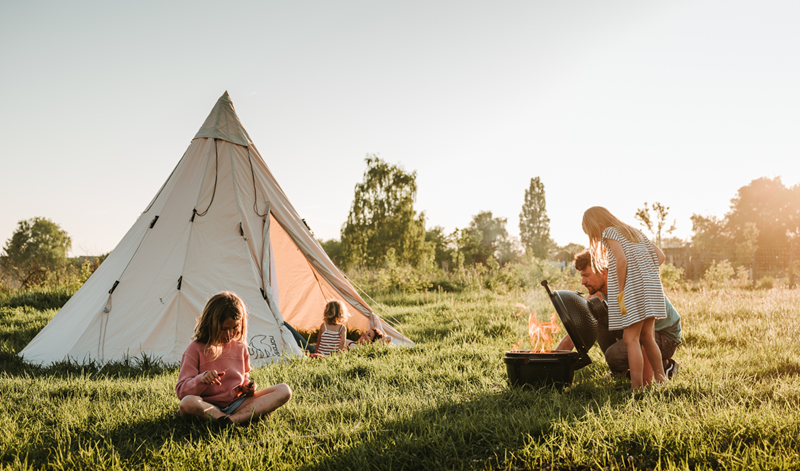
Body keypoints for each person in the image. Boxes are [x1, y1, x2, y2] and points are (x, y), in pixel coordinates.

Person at [556, 249, 681, 379]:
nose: (583, 282)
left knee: (614, 355)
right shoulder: (598, 293)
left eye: (586, 275)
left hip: (664, 336)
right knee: (594, 316)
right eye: (581, 276)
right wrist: (554, 359)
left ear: (603, 272)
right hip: (638, 331)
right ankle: (620, 372)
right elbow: (579, 326)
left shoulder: (627, 286)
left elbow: (645, 334)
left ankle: (665, 366)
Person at [582, 206, 667, 389]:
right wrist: (645, 274)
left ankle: (637, 388)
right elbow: (660, 256)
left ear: (600, 225)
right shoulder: (635, 233)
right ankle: (662, 382)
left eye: (594, 234)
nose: (597, 238)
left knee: (630, 338)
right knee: (647, 337)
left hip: (631, 292)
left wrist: (621, 290)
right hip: (651, 290)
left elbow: (621, 260)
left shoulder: (609, 232)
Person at [176, 291, 292, 425]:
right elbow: (182, 391)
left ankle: (230, 420)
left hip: (235, 405)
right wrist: (202, 379)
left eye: (235, 327)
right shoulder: (194, 349)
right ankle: (226, 418)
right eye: (224, 328)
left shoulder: (240, 347)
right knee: (187, 403)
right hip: (207, 406)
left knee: (284, 390)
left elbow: (243, 379)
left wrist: (246, 387)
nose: (230, 334)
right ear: (210, 324)